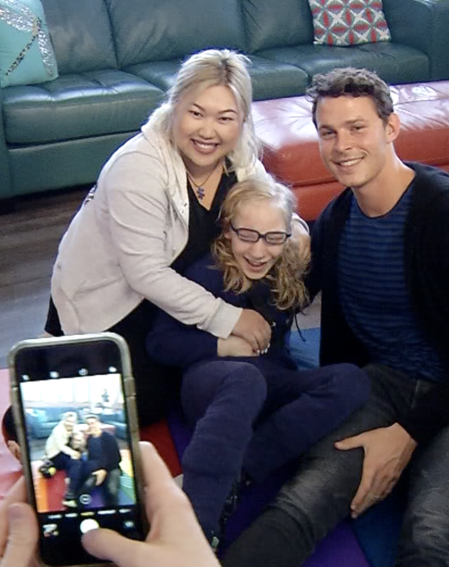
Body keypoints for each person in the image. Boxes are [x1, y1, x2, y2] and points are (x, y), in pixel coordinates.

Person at [221, 68, 449, 567]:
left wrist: (406, 434)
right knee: (300, 502)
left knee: (432, 533)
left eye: (357, 127)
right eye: (328, 132)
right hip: (379, 387)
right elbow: (287, 297)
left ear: (391, 127)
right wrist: (223, 301)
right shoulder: (337, 220)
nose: (342, 145)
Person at [46, 49, 309, 424]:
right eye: (196, 113)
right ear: (174, 107)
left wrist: (296, 229)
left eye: (225, 118)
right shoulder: (137, 166)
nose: (208, 131)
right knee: (142, 405)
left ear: (242, 121)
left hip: (182, 294)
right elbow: (145, 274)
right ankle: (36, 399)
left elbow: (270, 203)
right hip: (118, 302)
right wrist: (230, 319)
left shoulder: (239, 157)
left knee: (197, 378)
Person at [146, 175, 370, 550]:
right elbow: (160, 342)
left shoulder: (286, 269)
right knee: (246, 380)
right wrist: (223, 346)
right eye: (247, 235)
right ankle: (197, 526)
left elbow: (321, 246)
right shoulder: (206, 274)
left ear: (287, 237)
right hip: (214, 384)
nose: (259, 251)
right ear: (227, 230)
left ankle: (241, 471)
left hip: (269, 385)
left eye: (273, 238)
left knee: (352, 380)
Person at [0, 439, 220, 567]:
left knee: (92, 474)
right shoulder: (70, 439)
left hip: (100, 469)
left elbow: (107, 460)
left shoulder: (102, 440)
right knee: (73, 466)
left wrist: (101, 467)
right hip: (80, 466)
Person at [64, 415, 122, 509]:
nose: (91, 426)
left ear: (99, 423)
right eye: (88, 424)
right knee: (87, 485)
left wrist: (103, 470)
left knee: (111, 490)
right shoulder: (89, 439)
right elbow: (86, 454)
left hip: (112, 468)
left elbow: (117, 458)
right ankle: (76, 505)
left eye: (93, 423)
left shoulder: (109, 437)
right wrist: (78, 441)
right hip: (97, 468)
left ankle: (115, 512)